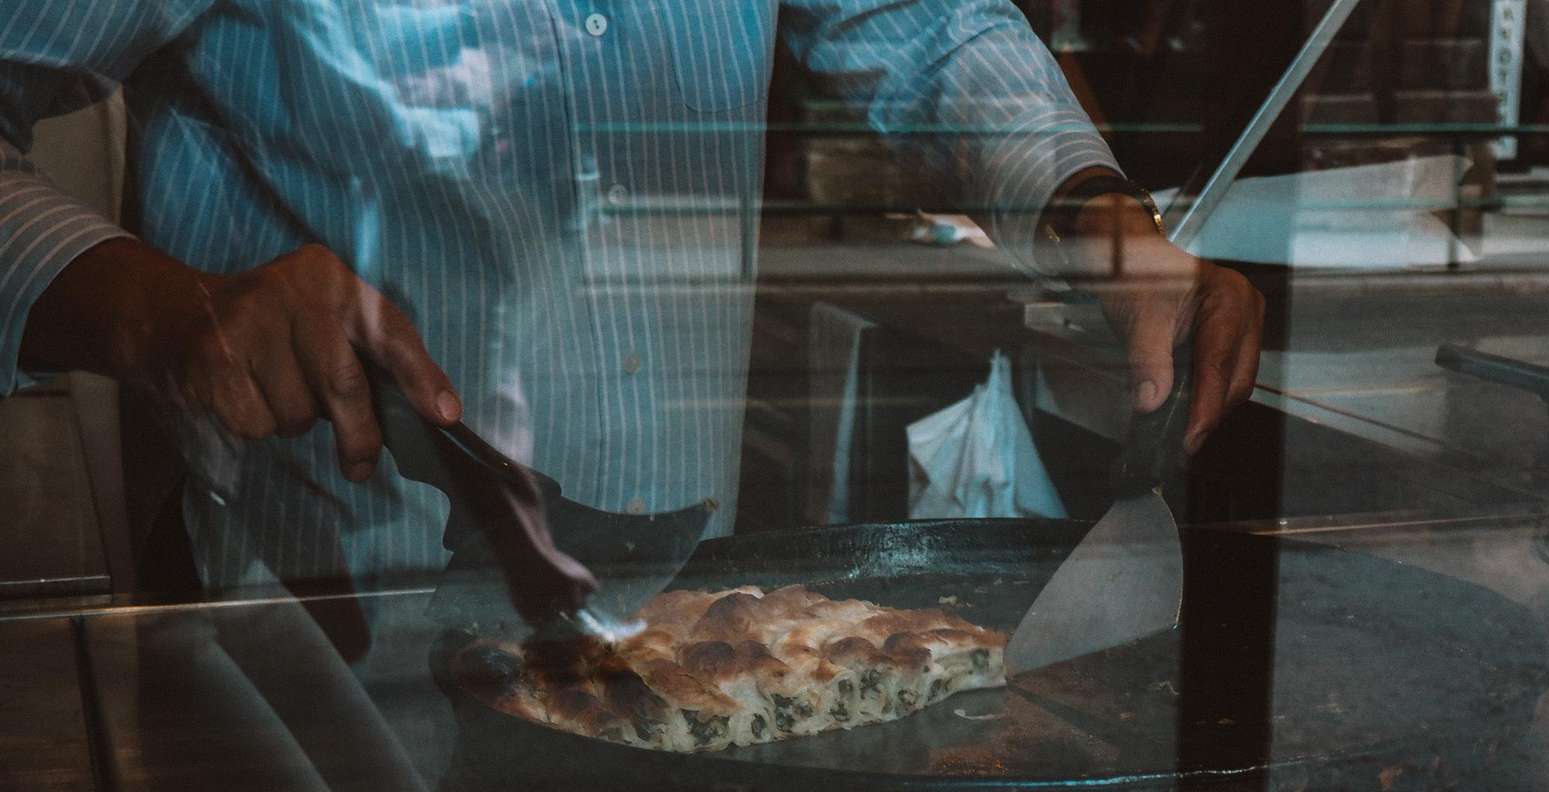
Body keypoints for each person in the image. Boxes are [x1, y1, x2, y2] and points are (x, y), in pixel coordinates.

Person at [2, 1, 1263, 592]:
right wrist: (163, 313)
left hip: (676, 612)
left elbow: (919, 26)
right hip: (343, 621)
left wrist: (1101, 225)